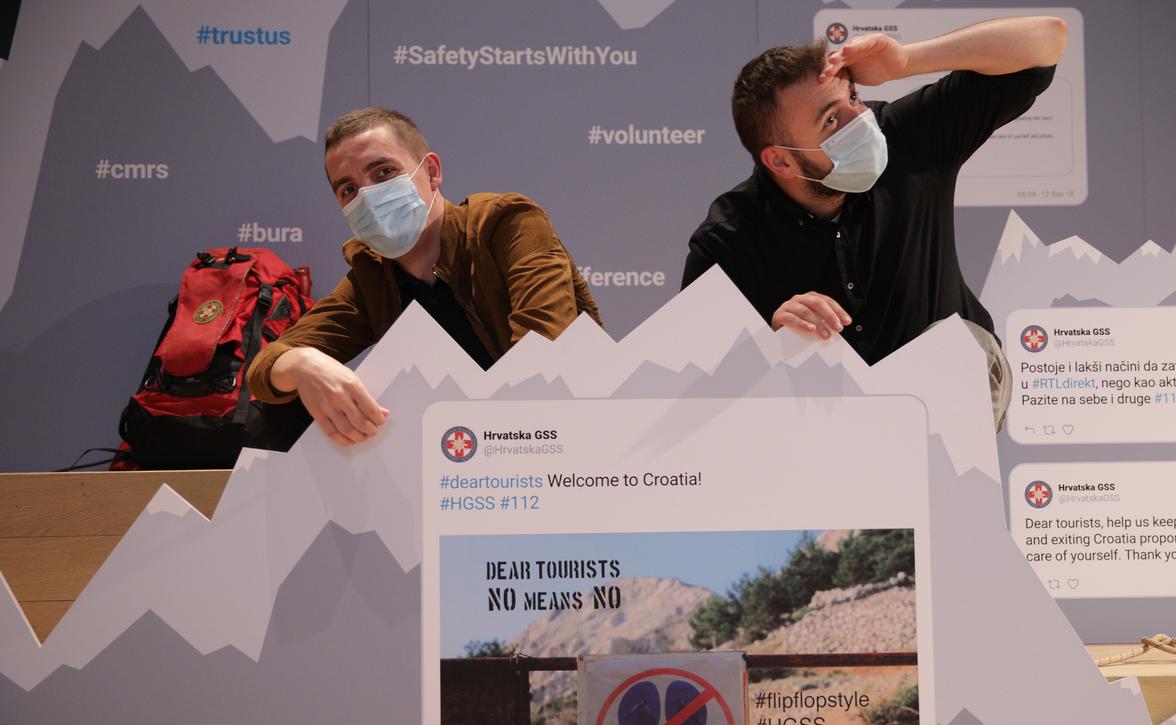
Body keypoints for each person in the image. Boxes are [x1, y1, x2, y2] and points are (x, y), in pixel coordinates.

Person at [681, 18, 1068, 428]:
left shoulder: (904, 137)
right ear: (780, 160)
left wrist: (906, 61)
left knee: (964, 345)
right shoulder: (727, 240)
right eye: (832, 121)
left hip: (951, 416)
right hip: (816, 435)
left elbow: (1044, 45)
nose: (861, 121)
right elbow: (690, 386)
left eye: (853, 96)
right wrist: (768, 338)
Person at [246, 107, 601, 446]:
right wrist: (302, 363)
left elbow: (543, 353)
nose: (368, 197)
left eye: (384, 172)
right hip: (454, 455)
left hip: (554, 440)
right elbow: (264, 370)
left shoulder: (505, 224)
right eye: (349, 189)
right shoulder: (372, 275)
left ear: (431, 172)